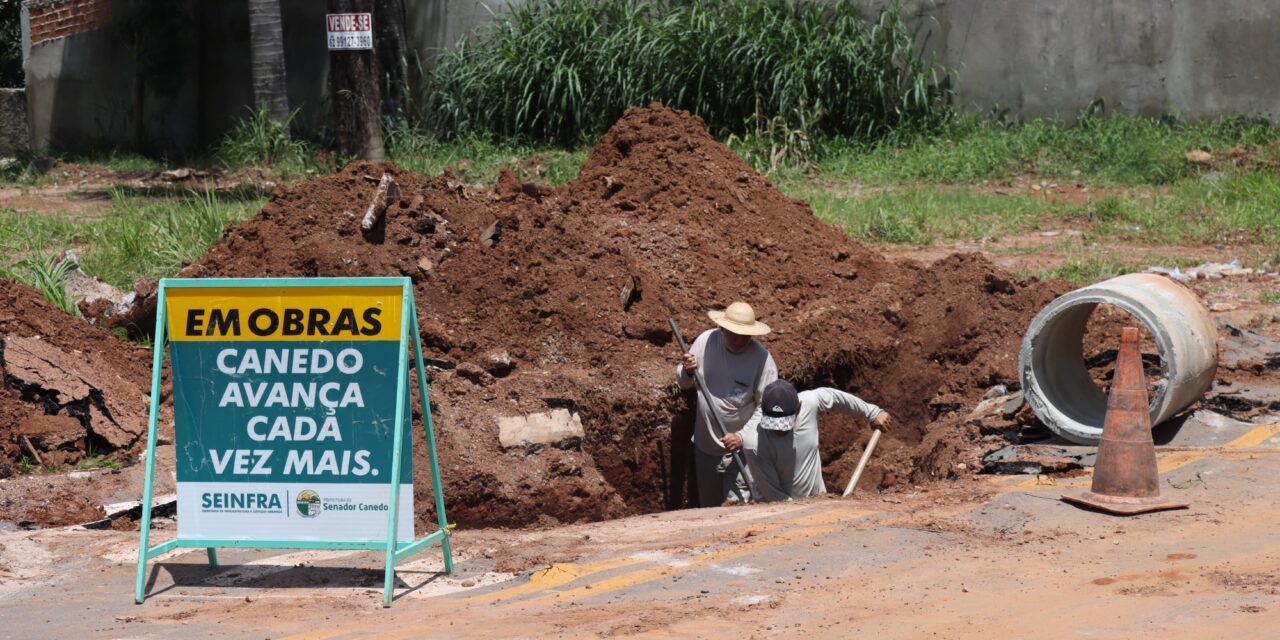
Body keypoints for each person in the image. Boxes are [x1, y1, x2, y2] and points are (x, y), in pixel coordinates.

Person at [677, 301, 777, 507]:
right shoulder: (705, 341)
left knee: (736, 510)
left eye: (745, 334)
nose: (740, 339)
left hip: (740, 453)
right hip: (705, 448)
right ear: (722, 328)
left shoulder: (762, 359)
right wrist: (686, 370)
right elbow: (683, 382)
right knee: (710, 508)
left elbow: (766, 406)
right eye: (734, 333)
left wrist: (741, 436)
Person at [740, 379, 894, 502]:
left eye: (785, 423)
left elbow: (835, 397)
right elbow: (773, 494)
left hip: (817, 501)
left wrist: (872, 412)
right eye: (773, 423)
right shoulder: (754, 443)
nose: (779, 429)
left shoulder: (809, 402)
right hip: (775, 511)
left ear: (799, 408)